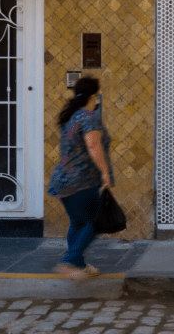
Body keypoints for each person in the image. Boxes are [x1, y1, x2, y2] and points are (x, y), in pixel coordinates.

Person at [48, 77, 114, 280]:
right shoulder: (89, 117)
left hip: (62, 180)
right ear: (93, 96)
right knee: (93, 222)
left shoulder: (70, 117)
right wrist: (105, 172)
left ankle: (79, 265)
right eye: (96, 96)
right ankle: (69, 260)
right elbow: (93, 146)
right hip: (82, 180)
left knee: (78, 222)